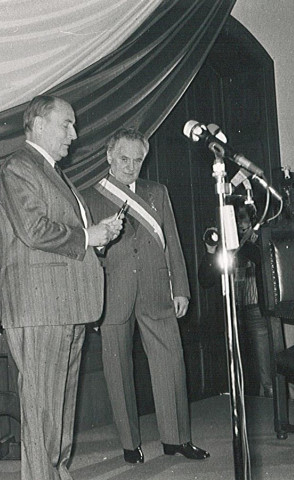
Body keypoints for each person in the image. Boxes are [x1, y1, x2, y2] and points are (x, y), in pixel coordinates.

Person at [0, 95, 123, 480]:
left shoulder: (52, 172)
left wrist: (97, 238)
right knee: (42, 408)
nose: (75, 133)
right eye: (66, 124)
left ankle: (56, 472)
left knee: (60, 406)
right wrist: (90, 235)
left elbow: (65, 234)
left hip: (66, 304)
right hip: (40, 307)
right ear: (37, 124)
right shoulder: (19, 166)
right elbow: (34, 230)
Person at [83, 127, 209, 464]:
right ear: (110, 157)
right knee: (117, 368)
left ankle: (177, 439)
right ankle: (129, 443)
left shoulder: (158, 192)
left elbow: (174, 244)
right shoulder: (91, 196)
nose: (130, 166)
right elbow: (85, 254)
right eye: (124, 159)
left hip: (157, 289)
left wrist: (180, 288)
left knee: (171, 362)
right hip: (113, 293)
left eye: (137, 160)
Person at [198, 200, 273, 398]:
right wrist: (211, 251)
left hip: (257, 310)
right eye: (236, 223)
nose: (240, 227)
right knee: (241, 369)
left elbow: (261, 258)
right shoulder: (226, 245)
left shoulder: (260, 238)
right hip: (234, 312)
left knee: (266, 372)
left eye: (244, 222)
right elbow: (205, 280)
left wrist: (238, 241)